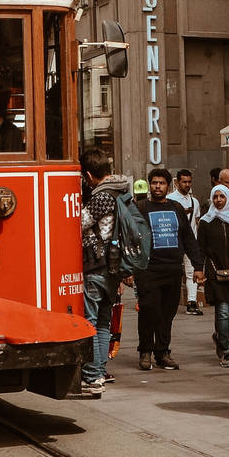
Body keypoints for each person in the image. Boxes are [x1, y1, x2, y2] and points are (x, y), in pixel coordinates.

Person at [134, 167, 202, 371]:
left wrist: (198, 266)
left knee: (167, 313)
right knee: (149, 310)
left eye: (161, 183)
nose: (157, 187)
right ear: (149, 185)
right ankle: (145, 351)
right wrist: (127, 270)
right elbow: (130, 239)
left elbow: (188, 239)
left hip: (172, 269)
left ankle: (162, 352)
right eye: (154, 183)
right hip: (148, 269)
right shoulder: (140, 208)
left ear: (168, 185)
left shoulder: (176, 208)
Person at [79, 148, 133, 397]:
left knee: (90, 322)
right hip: (113, 266)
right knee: (102, 322)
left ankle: (91, 376)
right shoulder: (122, 192)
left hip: (96, 264)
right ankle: (99, 372)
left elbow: (79, 222)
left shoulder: (102, 196)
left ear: (89, 175)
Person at [199, 184, 229, 365]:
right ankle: (225, 350)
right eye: (215, 197)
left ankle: (220, 334)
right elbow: (200, 248)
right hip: (215, 272)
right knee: (223, 312)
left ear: (228, 199)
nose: (218, 200)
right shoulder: (206, 221)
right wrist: (199, 270)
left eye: (222, 197)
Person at [169, 168, 203, 314]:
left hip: (190, 243)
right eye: (184, 182)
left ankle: (192, 301)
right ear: (177, 182)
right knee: (174, 272)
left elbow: (197, 221)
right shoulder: (170, 199)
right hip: (174, 242)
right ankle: (170, 300)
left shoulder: (194, 201)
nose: (187, 185)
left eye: (189, 182)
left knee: (192, 272)